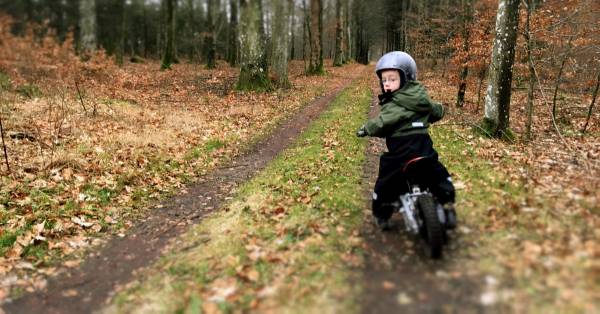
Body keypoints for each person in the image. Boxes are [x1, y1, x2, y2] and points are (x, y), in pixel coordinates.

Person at [356, 51, 457, 230]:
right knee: (436, 171)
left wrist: (366, 129)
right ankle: (446, 201)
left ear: (406, 78)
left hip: (401, 152)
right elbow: (435, 111)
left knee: (386, 180)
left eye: (392, 79)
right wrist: (441, 111)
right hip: (424, 148)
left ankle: (382, 212)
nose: (387, 83)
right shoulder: (421, 97)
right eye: (384, 80)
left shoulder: (394, 103)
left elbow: (382, 122)